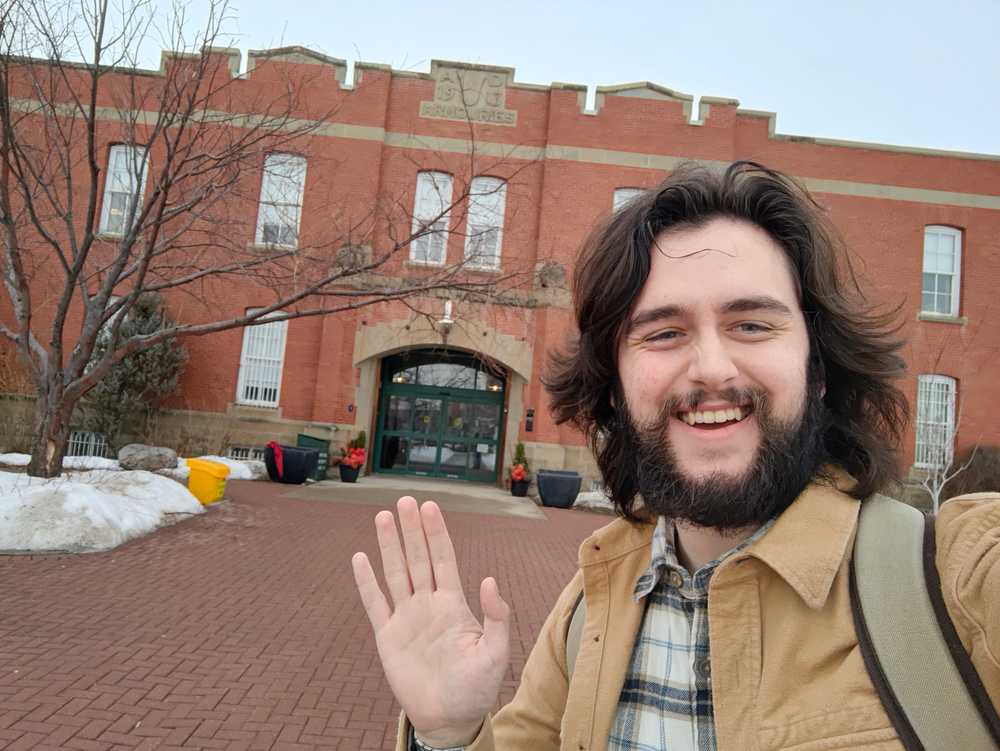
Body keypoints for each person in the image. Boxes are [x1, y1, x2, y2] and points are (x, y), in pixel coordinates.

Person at [351, 162, 1000, 751]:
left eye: (752, 324)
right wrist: (448, 735)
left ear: (819, 368)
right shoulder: (592, 604)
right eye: (664, 333)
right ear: (614, 385)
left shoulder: (958, 579)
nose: (711, 368)